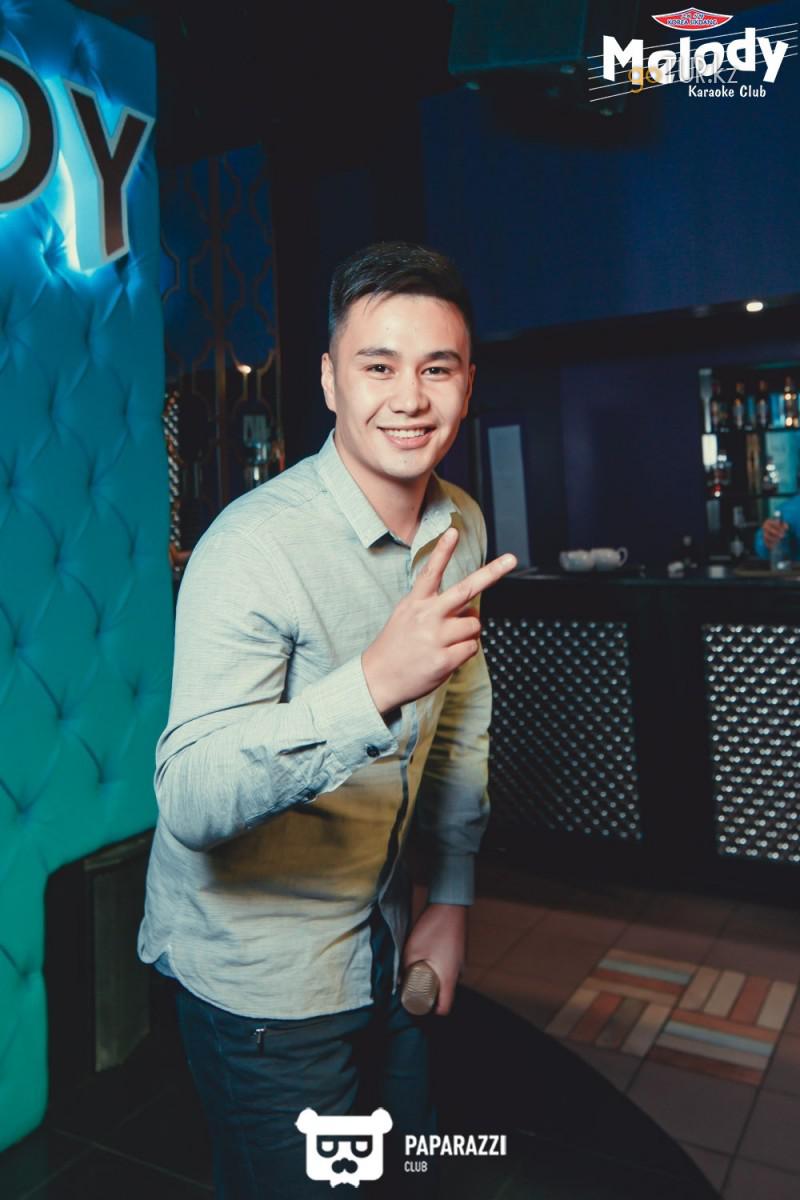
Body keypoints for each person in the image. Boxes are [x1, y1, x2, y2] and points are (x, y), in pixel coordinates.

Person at [138, 241, 517, 1199]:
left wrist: (452, 899)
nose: (410, 398)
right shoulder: (253, 547)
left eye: (437, 368)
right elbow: (190, 795)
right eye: (378, 366)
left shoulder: (461, 523)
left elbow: (460, 716)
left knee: (410, 1175)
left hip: (384, 938)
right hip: (263, 978)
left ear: (468, 384)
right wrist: (373, 683)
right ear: (329, 381)